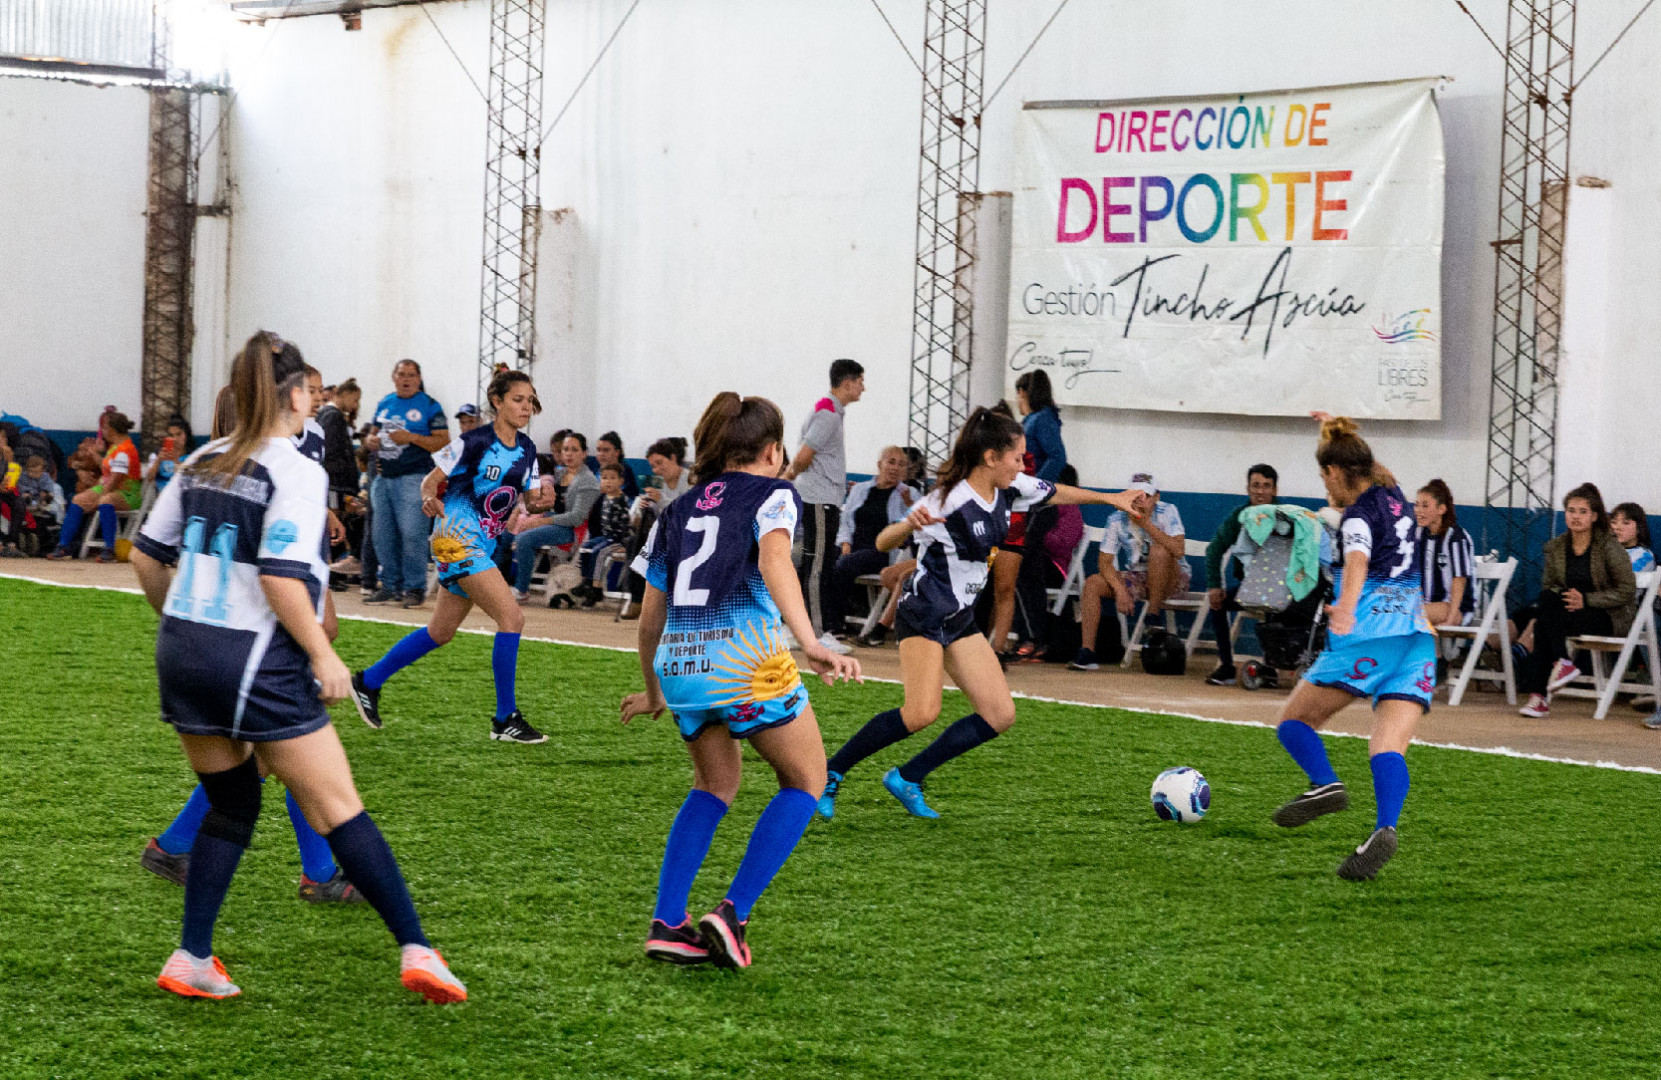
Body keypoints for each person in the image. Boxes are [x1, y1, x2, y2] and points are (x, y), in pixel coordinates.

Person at [129, 330, 465, 1003]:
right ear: (287, 394)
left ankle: (192, 956)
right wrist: (324, 655)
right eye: (309, 390)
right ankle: (418, 949)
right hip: (250, 659)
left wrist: (187, 621)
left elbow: (144, 556)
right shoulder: (294, 468)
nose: (315, 400)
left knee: (232, 802)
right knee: (339, 805)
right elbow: (283, 581)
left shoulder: (201, 458)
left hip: (182, 653)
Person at [621, 392, 860, 970]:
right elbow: (777, 561)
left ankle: (667, 922)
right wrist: (810, 642)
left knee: (713, 786)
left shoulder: (674, 510)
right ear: (774, 450)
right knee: (807, 779)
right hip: (745, 665)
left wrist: (656, 690)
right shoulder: (776, 492)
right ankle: (733, 915)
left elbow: (649, 614)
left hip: (680, 666)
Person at [817, 407, 1136, 820]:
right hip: (925, 611)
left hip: (960, 617)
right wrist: (908, 526)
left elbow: (1055, 491)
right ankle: (831, 772)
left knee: (1000, 714)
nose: (1023, 467)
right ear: (990, 457)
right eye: (1017, 457)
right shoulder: (948, 500)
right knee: (921, 712)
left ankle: (908, 777)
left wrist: (1113, 499)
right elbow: (881, 542)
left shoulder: (1009, 486)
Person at [141, 338, 362, 904]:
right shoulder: (250, 427)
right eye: (310, 389)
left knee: (272, 752)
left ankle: (179, 850)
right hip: (252, 595)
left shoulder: (290, 435)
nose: (316, 397)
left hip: (251, 588)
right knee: (286, 744)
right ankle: (318, 873)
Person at [1266, 415, 1437, 881]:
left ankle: (1324, 785)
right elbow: (1367, 463)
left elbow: (1358, 557)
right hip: (1418, 640)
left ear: (1339, 473)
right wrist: (1334, 433)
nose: (1324, 484)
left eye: (1325, 474)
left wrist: (1344, 605)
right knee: (1388, 746)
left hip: (1369, 635)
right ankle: (1384, 827)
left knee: (1295, 721)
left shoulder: (1359, 514)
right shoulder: (1396, 497)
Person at [350, 370, 548, 744]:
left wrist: (543, 501)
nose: (526, 407)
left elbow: (531, 499)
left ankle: (368, 681)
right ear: (498, 402)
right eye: (518, 399)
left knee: (440, 632)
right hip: (455, 538)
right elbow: (430, 480)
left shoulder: (528, 450)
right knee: (512, 616)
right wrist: (428, 496)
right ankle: (505, 717)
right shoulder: (473, 442)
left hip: (480, 545)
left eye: (529, 400)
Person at [1516, 483, 1637, 719]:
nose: (1576, 517)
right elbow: (1549, 586)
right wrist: (1568, 599)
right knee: (1546, 604)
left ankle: (1539, 696)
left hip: (1606, 615)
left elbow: (1627, 590)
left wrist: (1587, 600)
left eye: (1583, 512)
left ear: (1594, 516)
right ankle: (1561, 664)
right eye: (1571, 510)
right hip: (1566, 613)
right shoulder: (1556, 547)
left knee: (1543, 623)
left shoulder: (1608, 546)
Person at [784, 358, 864, 650]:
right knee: (817, 566)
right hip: (818, 500)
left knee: (818, 565)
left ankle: (798, 629)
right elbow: (804, 457)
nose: (863, 388)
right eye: (860, 381)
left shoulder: (830, 411)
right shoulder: (828, 413)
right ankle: (816, 635)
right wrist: (784, 481)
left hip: (825, 500)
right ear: (847, 382)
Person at [1069, 473, 1188, 671]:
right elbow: (1104, 562)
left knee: (1159, 551)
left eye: (1145, 496)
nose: (1139, 500)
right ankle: (1087, 651)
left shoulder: (1168, 511)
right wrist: (1119, 590)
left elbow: (1178, 550)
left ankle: (1153, 616)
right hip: (1139, 578)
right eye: (1135, 495)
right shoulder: (1116, 519)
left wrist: (1146, 524)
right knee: (1093, 583)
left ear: (1156, 497)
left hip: (1173, 578)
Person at [990, 370, 1068, 662]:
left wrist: (1035, 489)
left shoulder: (1041, 419)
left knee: (1018, 572)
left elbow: (1057, 457)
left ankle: (1029, 637)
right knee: (1029, 573)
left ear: (1024, 392)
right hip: (1031, 506)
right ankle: (1035, 638)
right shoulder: (1037, 420)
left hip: (1034, 508)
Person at [363, 359, 448, 608]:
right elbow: (373, 432)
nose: (406, 379)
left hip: (413, 479)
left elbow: (443, 441)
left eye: (411, 375)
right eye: (402, 374)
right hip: (382, 478)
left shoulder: (430, 406)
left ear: (419, 379)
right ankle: (389, 586)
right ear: (394, 377)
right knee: (382, 536)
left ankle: (414, 588)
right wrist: (370, 440)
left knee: (412, 535)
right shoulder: (385, 403)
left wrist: (410, 437)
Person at [823, 447, 920, 641]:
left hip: (882, 552)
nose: (895, 468)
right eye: (891, 462)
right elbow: (846, 520)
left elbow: (916, 526)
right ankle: (816, 620)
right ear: (879, 464)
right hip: (852, 545)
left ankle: (834, 625)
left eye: (901, 464)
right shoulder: (860, 489)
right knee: (819, 560)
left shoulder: (910, 494)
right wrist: (844, 543)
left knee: (845, 564)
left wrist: (910, 504)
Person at [1199, 465, 1279, 685]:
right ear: (1248, 488)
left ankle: (1270, 670)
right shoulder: (1240, 517)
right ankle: (1226, 667)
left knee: (1280, 606)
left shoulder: (1287, 516)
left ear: (1274, 490)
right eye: (1255, 485)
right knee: (1218, 602)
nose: (1260, 491)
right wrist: (1214, 586)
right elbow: (1214, 549)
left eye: (1266, 486)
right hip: (1249, 588)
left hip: (1283, 591)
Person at [511, 431, 599, 602]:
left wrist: (541, 521)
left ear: (584, 453)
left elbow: (576, 518)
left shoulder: (587, 481)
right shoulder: (558, 474)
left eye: (574, 450)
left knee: (524, 539)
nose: (569, 454)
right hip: (551, 520)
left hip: (571, 530)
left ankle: (521, 590)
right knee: (505, 535)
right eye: (565, 449)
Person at [48, 410, 141, 561]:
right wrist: (94, 454)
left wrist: (101, 495)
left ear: (111, 429)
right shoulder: (114, 447)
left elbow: (117, 478)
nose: (102, 431)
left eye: (104, 428)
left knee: (106, 500)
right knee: (78, 499)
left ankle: (109, 548)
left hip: (127, 493)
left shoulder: (125, 450)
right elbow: (107, 468)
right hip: (110, 488)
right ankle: (64, 545)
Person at [1412, 479, 1476, 629]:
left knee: (1405, 615)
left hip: (1453, 608)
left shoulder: (1455, 538)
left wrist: (1452, 617)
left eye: (1425, 505)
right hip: (1427, 605)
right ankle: (1436, 653)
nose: (1418, 510)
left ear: (1441, 509)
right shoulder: (1419, 534)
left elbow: (1459, 580)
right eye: (1417, 504)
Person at [573, 462, 635, 606]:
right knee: (585, 548)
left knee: (599, 553)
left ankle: (596, 589)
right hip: (605, 537)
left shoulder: (622, 500)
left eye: (612, 478)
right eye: (605, 478)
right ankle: (586, 581)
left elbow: (626, 525)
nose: (608, 481)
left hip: (617, 539)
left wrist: (624, 544)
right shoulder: (603, 498)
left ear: (621, 481)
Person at [143, 416, 193, 491]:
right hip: (160, 496)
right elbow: (149, 479)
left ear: (186, 435)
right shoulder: (158, 455)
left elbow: (189, 481)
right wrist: (158, 461)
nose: (175, 439)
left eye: (179, 434)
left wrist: (176, 462)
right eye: (171, 435)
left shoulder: (193, 456)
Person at [595, 431, 642, 499]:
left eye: (606, 450)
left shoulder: (624, 471)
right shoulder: (597, 470)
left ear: (617, 452)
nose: (601, 454)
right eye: (598, 450)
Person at [1610, 503, 1654, 572]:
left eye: (1626, 523)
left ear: (1639, 528)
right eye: (1613, 522)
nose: (1617, 527)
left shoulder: (1644, 556)